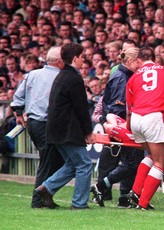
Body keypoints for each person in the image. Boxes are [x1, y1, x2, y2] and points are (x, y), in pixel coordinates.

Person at [34, 43, 95, 209]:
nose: (84, 60)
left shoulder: (61, 75)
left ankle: (47, 188)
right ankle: (79, 203)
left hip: (56, 130)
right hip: (68, 130)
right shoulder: (74, 78)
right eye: (82, 57)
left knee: (71, 164)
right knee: (84, 164)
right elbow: (81, 108)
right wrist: (88, 132)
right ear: (75, 58)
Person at [10, 46, 65, 208]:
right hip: (47, 123)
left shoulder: (32, 74)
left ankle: (45, 194)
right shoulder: (62, 76)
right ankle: (38, 200)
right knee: (49, 162)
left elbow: (18, 96)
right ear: (60, 61)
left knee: (56, 160)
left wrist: (19, 112)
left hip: (34, 123)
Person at [125, 47, 164, 210]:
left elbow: (129, 106)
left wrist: (129, 126)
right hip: (153, 116)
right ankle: (143, 204)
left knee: (150, 155)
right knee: (160, 162)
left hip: (136, 119)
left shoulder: (133, 77)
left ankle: (135, 193)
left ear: (139, 60)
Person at [91, 47, 144, 208]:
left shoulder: (122, 76)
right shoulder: (122, 78)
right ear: (129, 61)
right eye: (137, 60)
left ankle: (123, 198)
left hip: (123, 125)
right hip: (124, 126)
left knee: (132, 162)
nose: (140, 63)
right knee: (132, 163)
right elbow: (119, 107)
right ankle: (102, 187)